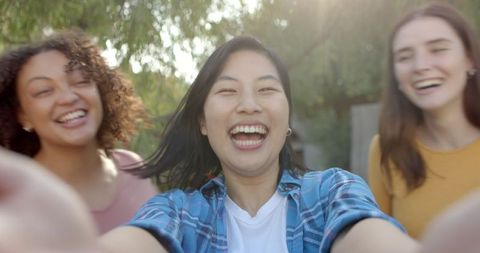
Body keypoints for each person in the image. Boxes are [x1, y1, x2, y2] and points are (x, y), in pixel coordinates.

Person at [1, 35, 480, 253]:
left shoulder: (333, 192)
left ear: (287, 120)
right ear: (205, 124)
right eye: (227, 91)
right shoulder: (178, 212)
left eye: (268, 90)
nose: (249, 104)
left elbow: (369, 237)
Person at [0, 31, 157, 234]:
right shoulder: (13, 202)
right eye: (43, 91)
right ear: (22, 115)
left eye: (81, 80)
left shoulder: (133, 167)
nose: (68, 97)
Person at [368, 2, 480, 239]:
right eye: (405, 57)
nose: (420, 66)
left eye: (438, 49)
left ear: (469, 58)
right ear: (396, 76)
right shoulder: (385, 151)